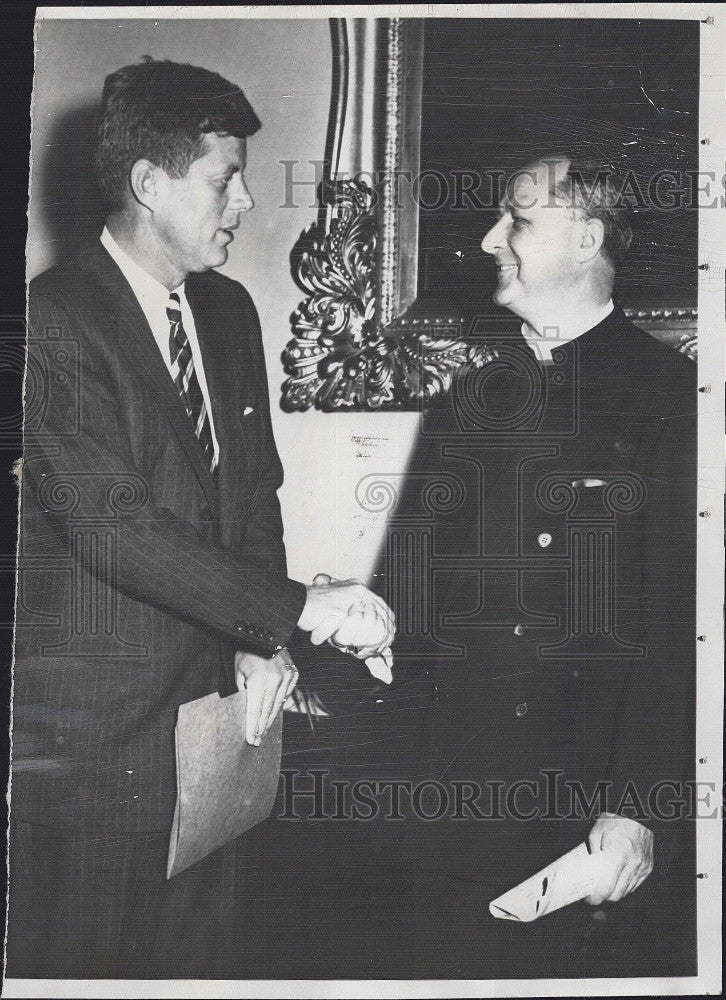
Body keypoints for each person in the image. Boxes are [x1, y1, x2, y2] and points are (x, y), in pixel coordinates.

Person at [6, 57, 394, 979]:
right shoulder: (51, 322)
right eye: (226, 178)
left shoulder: (226, 311)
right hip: (99, 750)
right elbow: (116, 528)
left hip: (221, 725)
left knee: (199, 968)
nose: (249, 202)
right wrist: (302, 607)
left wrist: (262, 640)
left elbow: (251, 492)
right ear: (149, 183)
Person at [402, 155, 697, 977]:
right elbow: (413, 599)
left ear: (586, 238)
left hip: (579, 813)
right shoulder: (465, 402)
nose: (491, 238)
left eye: (517, 222)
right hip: (450, 804)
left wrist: (637, 808)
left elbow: (682, 629)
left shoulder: (673, 399)